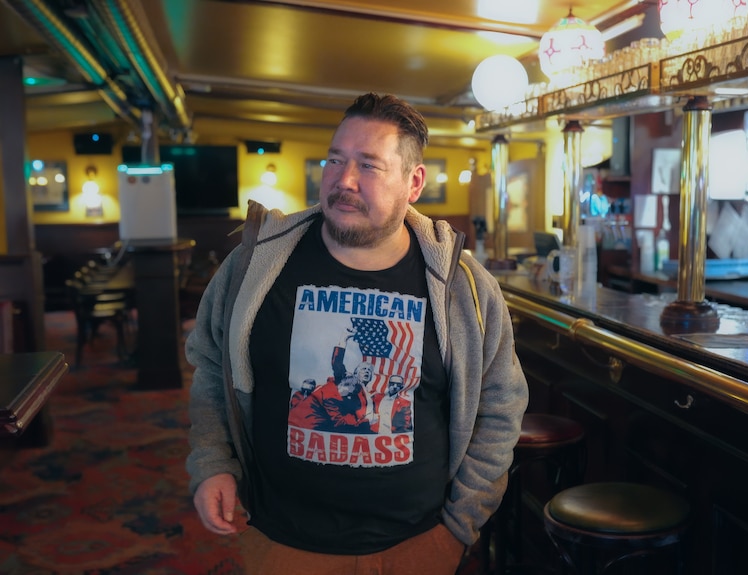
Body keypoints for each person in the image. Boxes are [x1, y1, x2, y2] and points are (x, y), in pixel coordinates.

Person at [185, 92, 528, 575]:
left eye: (368, 165)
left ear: (413, 182)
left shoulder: (464, 286)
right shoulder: (255, 265)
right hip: (282, 539)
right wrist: (213, 462)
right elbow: (210, 366)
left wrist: (459, 523)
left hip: (419, 543)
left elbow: (501, 405)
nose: (343, 180)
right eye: (335, 160)